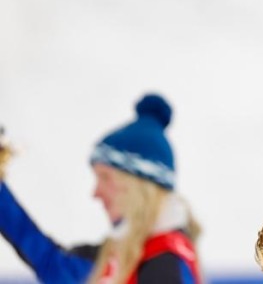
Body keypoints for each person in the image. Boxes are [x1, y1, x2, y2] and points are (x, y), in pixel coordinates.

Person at [0, 93, 203, 283]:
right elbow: (52, 263)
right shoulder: (126, 255)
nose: (96, 193)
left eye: (105, 178)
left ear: (137, 186)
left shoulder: (163, 265)